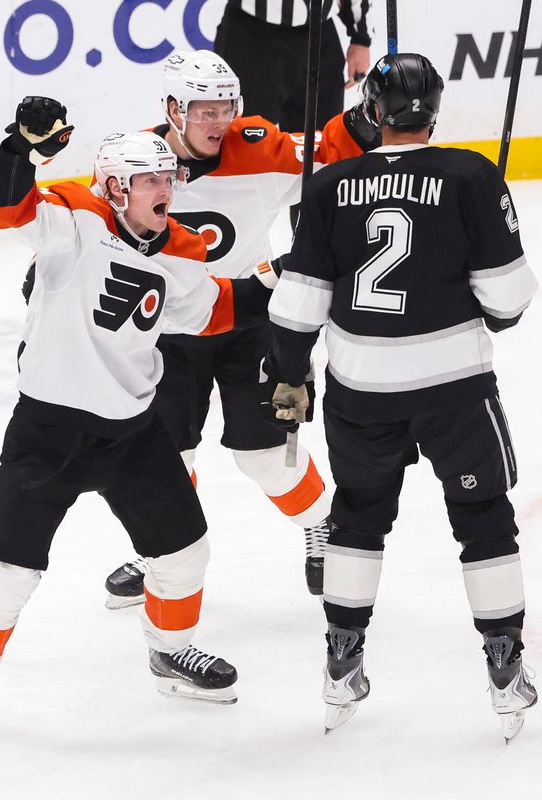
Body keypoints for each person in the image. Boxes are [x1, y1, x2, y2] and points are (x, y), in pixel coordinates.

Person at [0, 97, 280, 733]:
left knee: (186, 553)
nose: (166, 189)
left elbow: (211, 312)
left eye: (169, 178)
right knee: (5, 572)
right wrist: (19, 149)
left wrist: (280, 282)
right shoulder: (72, 219)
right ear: (113, 187)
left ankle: (168, 653)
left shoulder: (183, 248)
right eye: (150, 181)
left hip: (133, 432)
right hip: (48, 432)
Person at [260, 53, 542, 741]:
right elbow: (509, 298)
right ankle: (504, 663)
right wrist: (493, 311)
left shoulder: (329, 185)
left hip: (362, 392)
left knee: (357, 518)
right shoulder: (472, 175)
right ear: (434, 108)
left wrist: (289, 373)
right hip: (453, 388)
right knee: (482, 513)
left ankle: (341, 658)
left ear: (373, 111)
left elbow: (298, 301)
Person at [96, 49, 382, 608]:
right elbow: (99, 233)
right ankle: (161, 547)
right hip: (165, 331)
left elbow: (329, 149)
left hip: (248, 319)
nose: (219, 121)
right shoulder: (134, 162)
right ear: (174, 108)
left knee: (264, 457)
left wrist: (366, 115)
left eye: (226, 107)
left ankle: (322, 525)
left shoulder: (260, 147)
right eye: (205, 110)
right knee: (164, 459)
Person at [213, 0, 372, 130]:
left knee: (320, 143)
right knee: (242, 139)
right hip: (250, 33)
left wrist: (361, 37)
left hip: (319, 32)